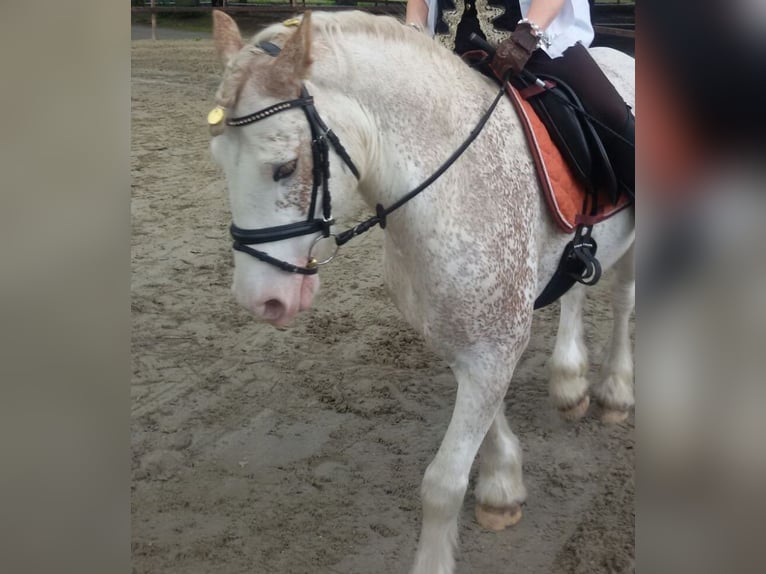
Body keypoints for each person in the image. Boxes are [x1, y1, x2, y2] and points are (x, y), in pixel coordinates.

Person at [405, 0, 635, 199]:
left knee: (608, 112)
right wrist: (412, 33)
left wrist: (526, 37)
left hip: (531, 45)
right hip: (449, 54)